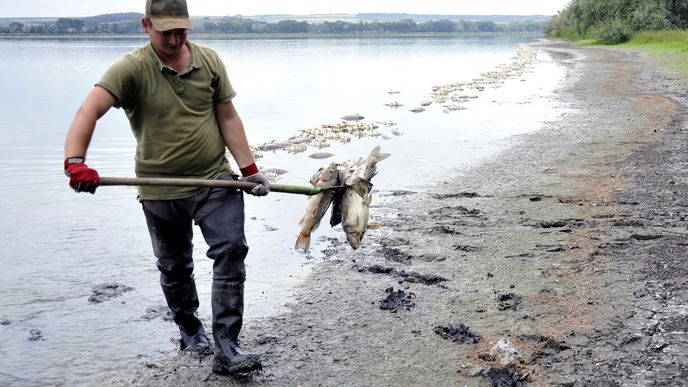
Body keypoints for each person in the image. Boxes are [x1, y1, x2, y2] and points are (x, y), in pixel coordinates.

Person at [63, 0, 269, 375]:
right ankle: (190, 329)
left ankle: (227, 346)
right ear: (146, 25)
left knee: (231, 250)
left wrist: (249, 170)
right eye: (166, 31)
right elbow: (87, 111)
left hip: (213, 179)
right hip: (158, 187)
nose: (175, 39)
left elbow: (227, 116)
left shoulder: (209, 61)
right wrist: (76, 162)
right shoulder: (130, 68)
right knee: (174, 267)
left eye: (182, 30)